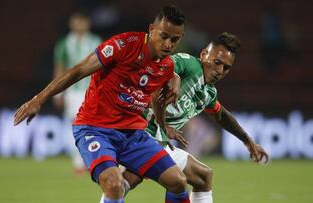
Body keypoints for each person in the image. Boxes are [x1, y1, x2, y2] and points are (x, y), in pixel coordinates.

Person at [14, 5, 192, 203]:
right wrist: (39, 99)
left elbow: (155, 100)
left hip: (132, 134)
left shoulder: (166, 67)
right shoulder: (124, 45)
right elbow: (79, 70)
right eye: (164, 36)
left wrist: (162, 125)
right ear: (151, 29)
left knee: (177, 181)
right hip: (95, 128)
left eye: (174, 39)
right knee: (114, 185)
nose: (168, 44)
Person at [101, 32, 269, 203]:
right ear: (204, 54)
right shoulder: (189, 64)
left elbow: (220, 115)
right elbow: (162, 67)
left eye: (226, 68)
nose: (219, 71)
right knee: (124, 182)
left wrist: (247, 140)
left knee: (202, 176)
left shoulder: (208, 92)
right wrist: (174, 76)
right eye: (217, 63)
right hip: (139, 134)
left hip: (159, 140)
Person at [53, 12, 101, 173]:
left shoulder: (96, 41)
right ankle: (78, 162)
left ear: (87, 23)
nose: (78, 24)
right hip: (72, 92)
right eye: (75, 21)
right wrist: (58, 93)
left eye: (82, 21)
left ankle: (92, 158)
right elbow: (60, 67)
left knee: (93, 125)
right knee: (75, 125)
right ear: (71, 24)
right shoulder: (64, 43)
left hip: (92, 90)